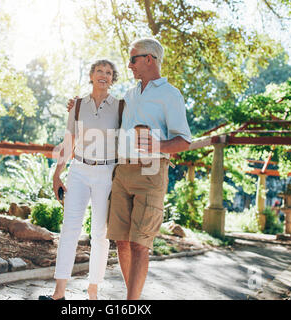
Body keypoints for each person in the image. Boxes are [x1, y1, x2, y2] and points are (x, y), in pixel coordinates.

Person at [107, 38, 191, 300]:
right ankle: (133, 298)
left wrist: (159, 144)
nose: (129, 64)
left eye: (133, 59)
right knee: (121, 241)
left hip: (151, 170)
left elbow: (184, 141)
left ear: (149, 59)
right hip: (122, 170)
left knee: (140, 243)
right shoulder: (130, 95)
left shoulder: (170, 94)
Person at [38, 59, 122, 300]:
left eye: (108, 72)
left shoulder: (120, 107)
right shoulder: (76, 106)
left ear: (112, 78)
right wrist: (57, 174)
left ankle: (93, 293)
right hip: (79, 170)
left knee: (99, 234)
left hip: (106, 173)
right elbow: (68, 142)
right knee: (69, 230)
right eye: (99, 71)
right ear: (91, 75)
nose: (103, 75)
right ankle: (59, 293)